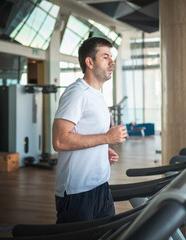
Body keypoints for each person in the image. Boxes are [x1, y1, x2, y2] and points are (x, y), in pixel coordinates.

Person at [52, 37, 127, 224]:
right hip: (77, 191)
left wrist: (102, 151)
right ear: (90, 62)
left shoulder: (98, 95)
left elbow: (85, 134)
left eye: (111, 57)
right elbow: (60, 141)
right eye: (105, 57)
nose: (112, 62)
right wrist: (107, 138)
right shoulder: (77, 93)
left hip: (100, 185)